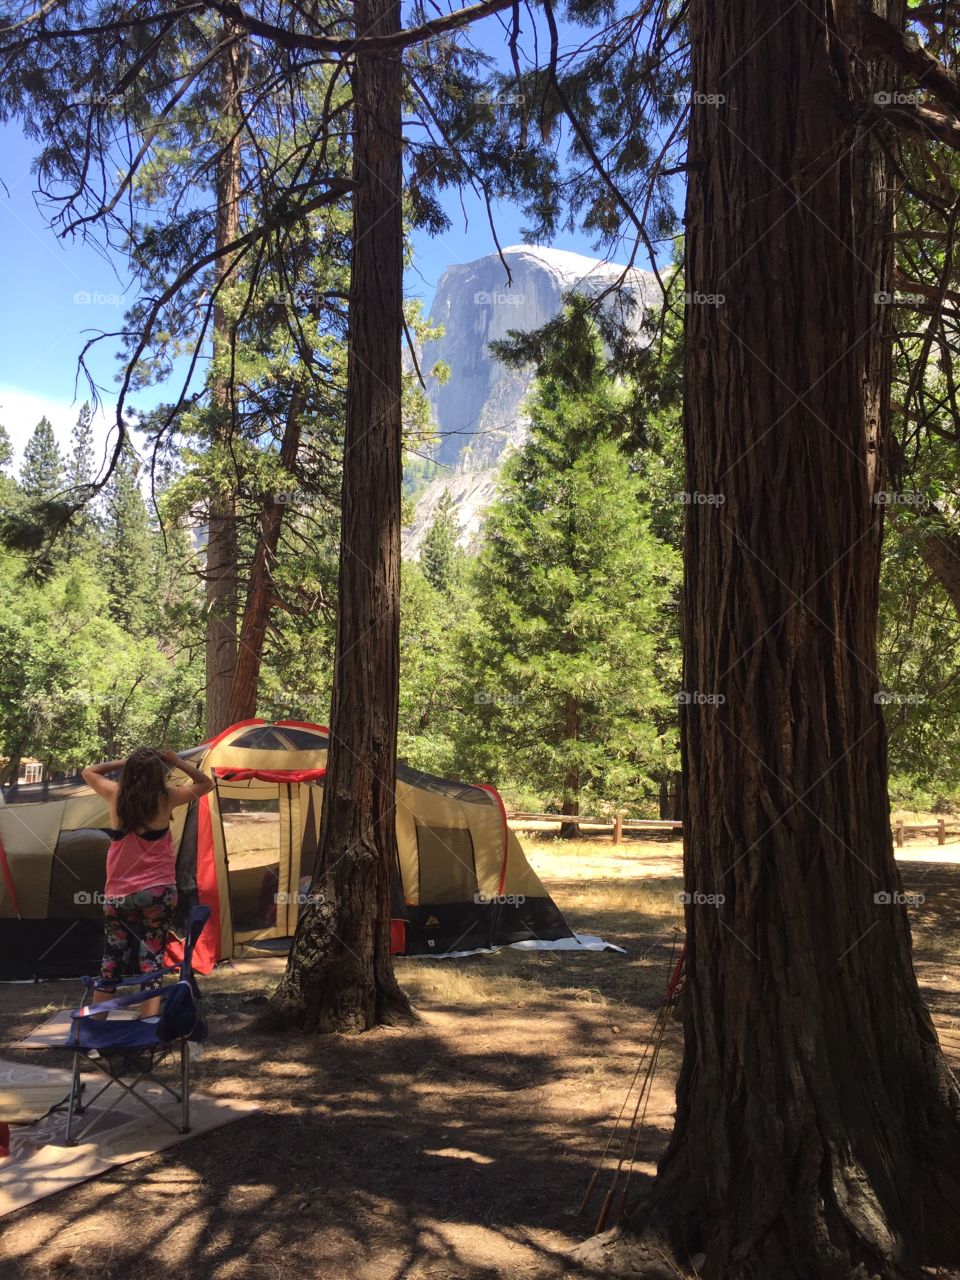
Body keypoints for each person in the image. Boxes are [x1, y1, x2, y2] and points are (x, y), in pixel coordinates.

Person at [81, 747, 214, 1017]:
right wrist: (176, 761)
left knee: (111, 960)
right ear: (158, 774)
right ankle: (148, 1021)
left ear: (129, 771)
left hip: (118, 894)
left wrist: (125, 760)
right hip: (158, 893)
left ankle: (97, 1024)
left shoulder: (114, 794)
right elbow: (206, 783)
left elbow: (88, 771)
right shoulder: (166, 798)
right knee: (151, 956)